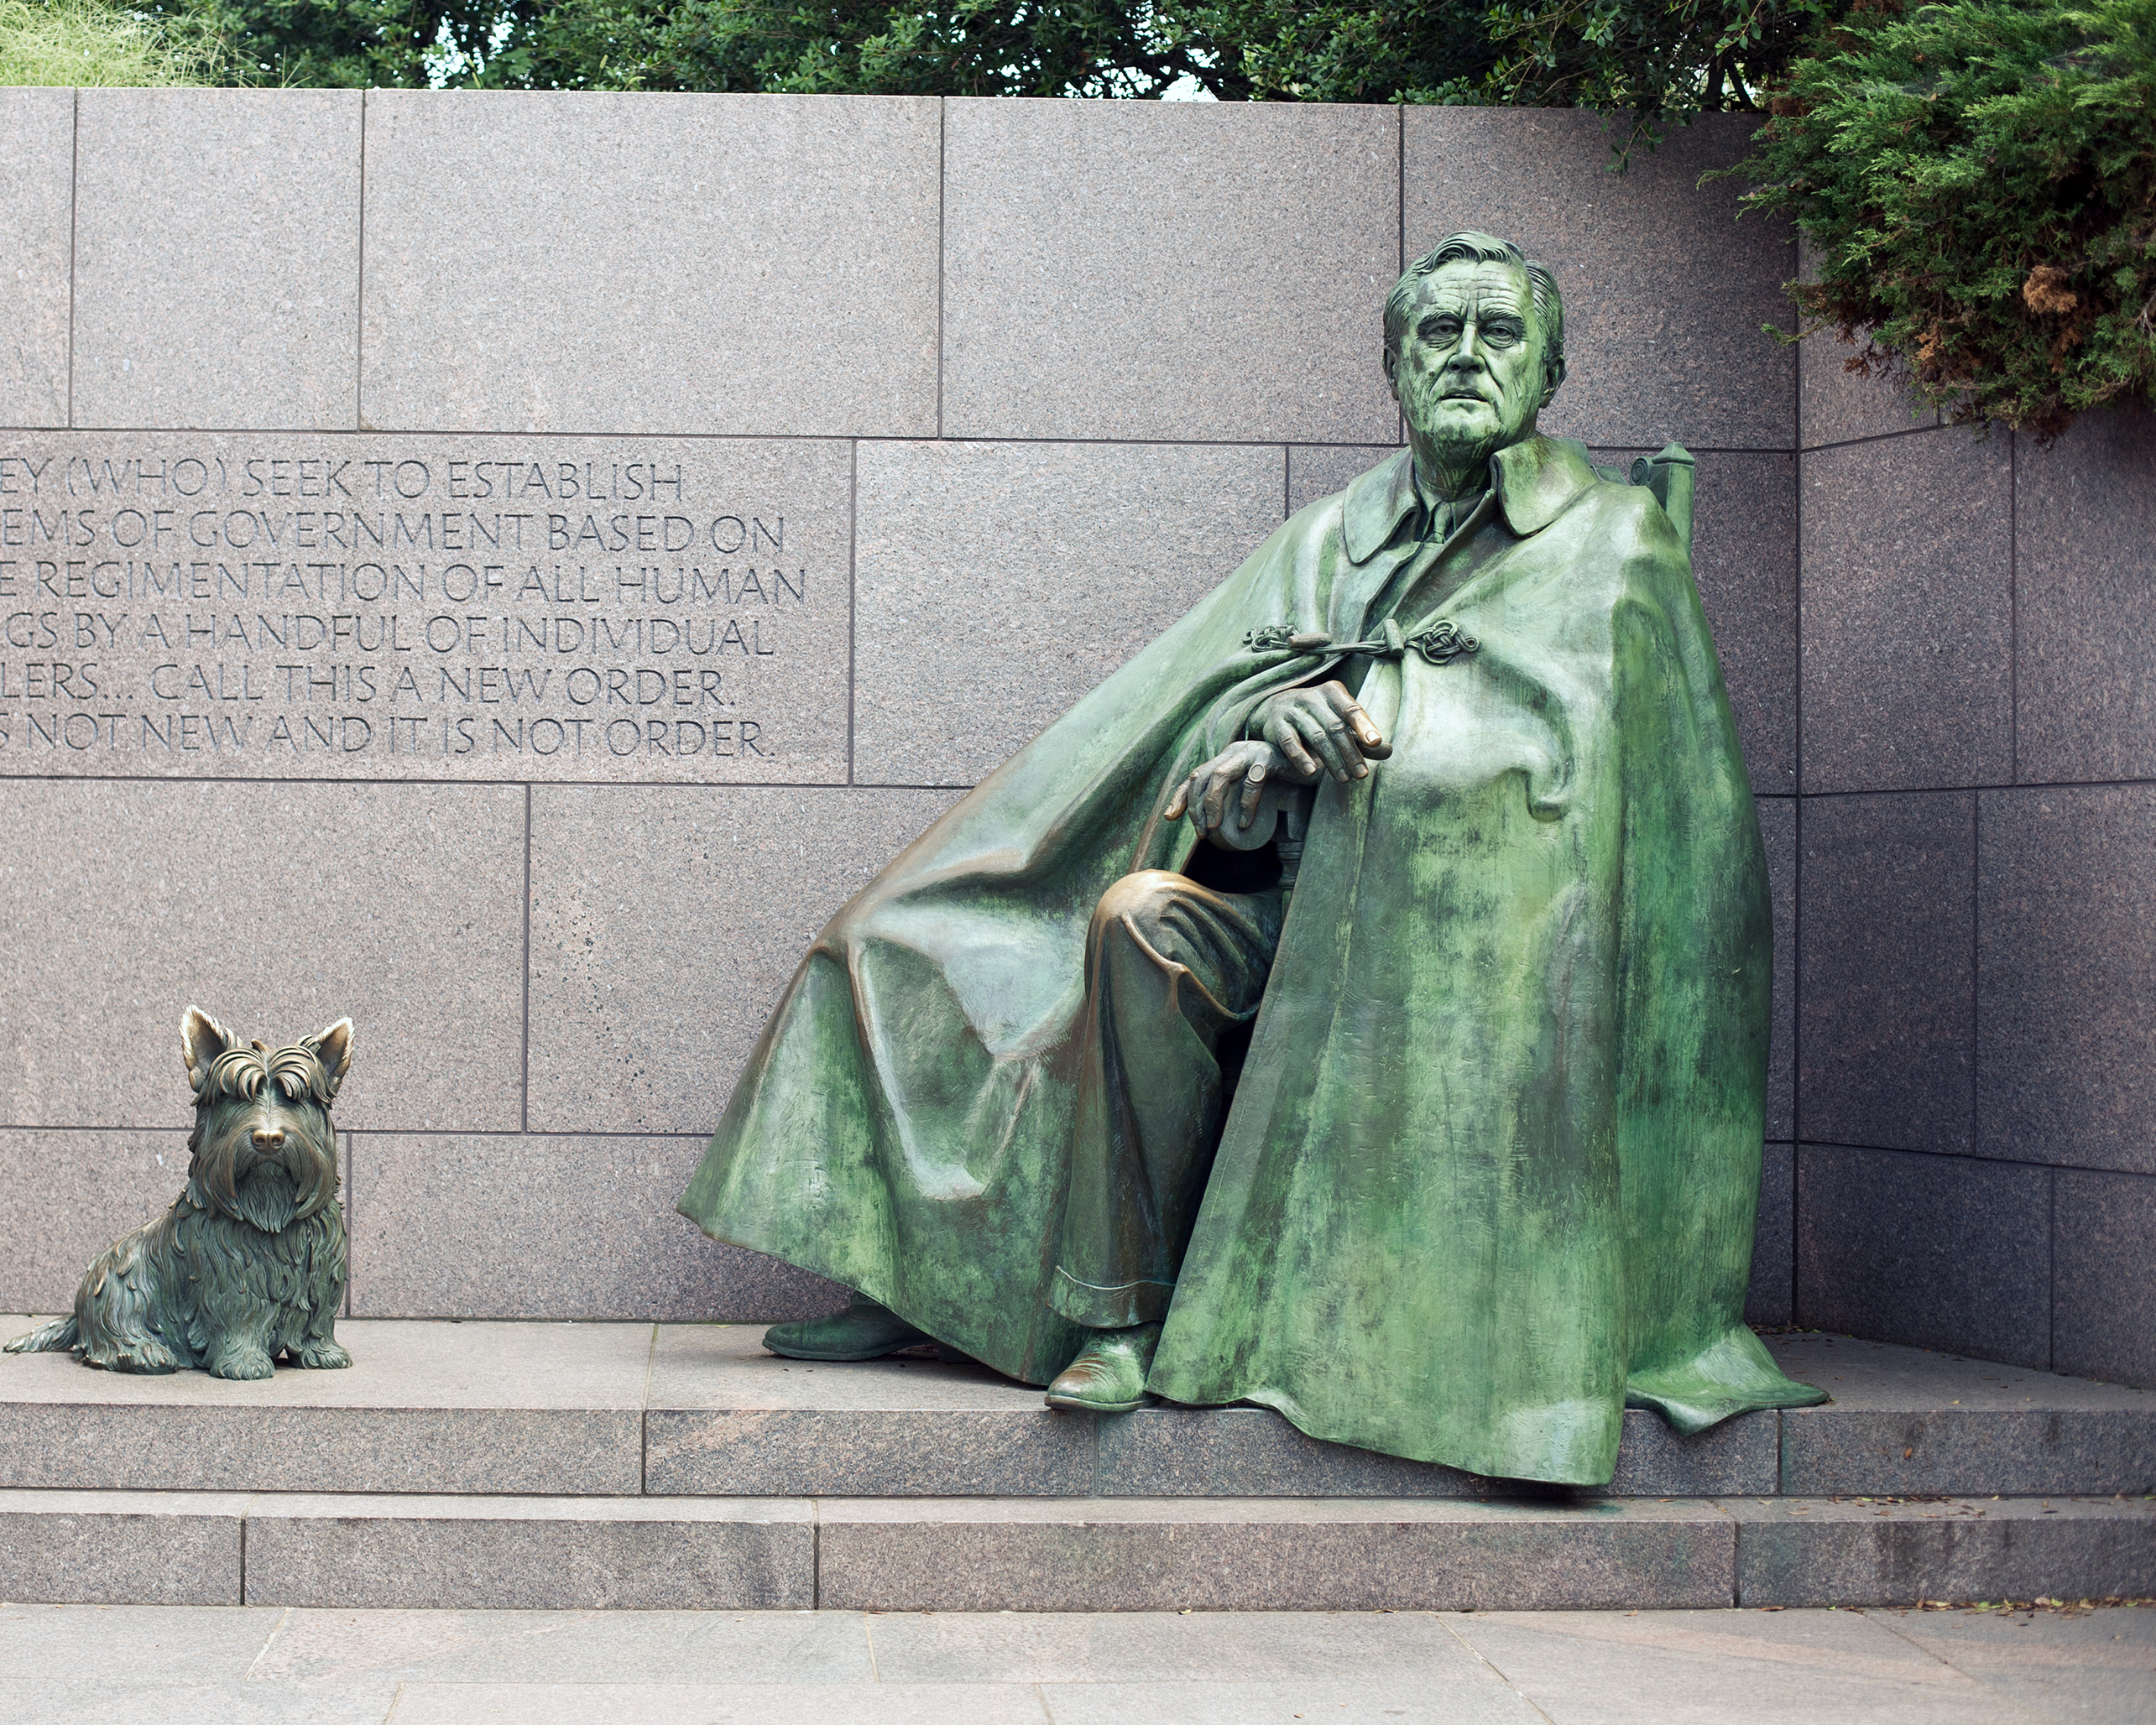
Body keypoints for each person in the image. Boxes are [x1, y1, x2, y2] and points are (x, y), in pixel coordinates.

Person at [678, 232, 1822, 1486]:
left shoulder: (1610, 541)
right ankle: (1005, 1291)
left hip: (1452, 960)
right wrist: (1258, 733)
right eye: (1437, 334)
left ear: (1548, 374)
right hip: (1276, 907)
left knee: (1133, 923)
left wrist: (1374, 727)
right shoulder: (1330, 536)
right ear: (1394, 365)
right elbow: (1194, 712)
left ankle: (1130, 1321)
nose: (1465, 357)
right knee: (986, 928)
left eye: (1499, 335)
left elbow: (1589, 788)